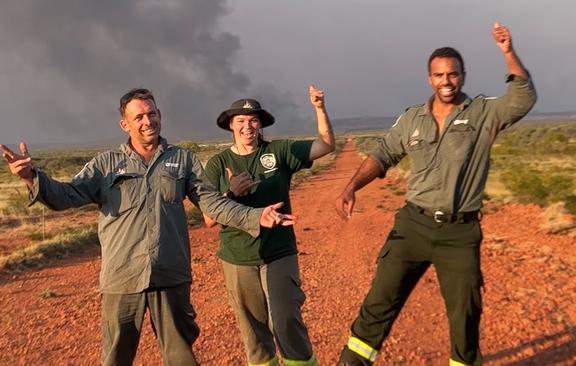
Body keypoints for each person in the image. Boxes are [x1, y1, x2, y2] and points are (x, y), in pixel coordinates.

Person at [0, 88, 296, 366]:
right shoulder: (106, 163)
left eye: (152, 114)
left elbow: (212, 204)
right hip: (122, 277)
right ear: (124, 124)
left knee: (181, 356)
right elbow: (67, 195)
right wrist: (31, 177)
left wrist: (254, 217)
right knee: (116, 356)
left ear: (160, 115)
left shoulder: (182, 160)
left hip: (170, 274)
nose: (147, 121)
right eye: (138, 117)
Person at [334, 23, 537, 366]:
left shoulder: (483, 113)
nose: (447, 81)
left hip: (459, 233)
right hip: (412, 226)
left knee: (464, 318)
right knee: (378, 304)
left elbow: (523, 98)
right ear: (429, 78)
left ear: (463, 76)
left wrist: (507, 52)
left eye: (453, 75)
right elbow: (384, 153)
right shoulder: (413, 118)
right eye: (439, 75)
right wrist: (351, 186)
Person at [202, 85, 335, 366]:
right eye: (240, 121)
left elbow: (326, 145)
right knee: (253, 330)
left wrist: (319, 109)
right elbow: (209, 219)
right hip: (237, 255)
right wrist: (232, 193)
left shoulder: (279, 151)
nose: (247, 126)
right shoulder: (218, 163)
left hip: (279, 251)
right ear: (230, 126)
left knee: (286, 319)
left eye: (253, 120)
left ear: (260, 124)